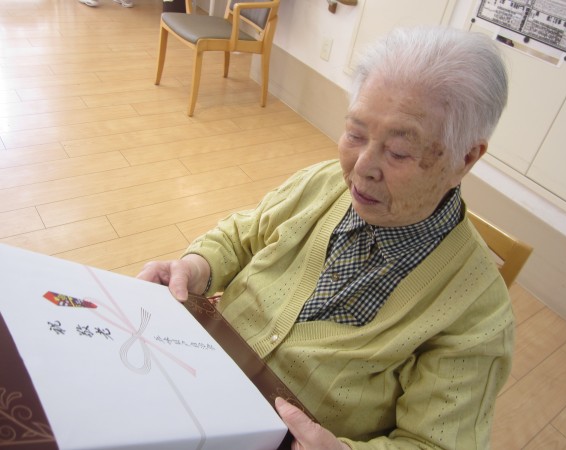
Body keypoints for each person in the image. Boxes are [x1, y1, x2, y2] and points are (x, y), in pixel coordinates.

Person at [137, 26, 513, 449]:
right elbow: (242, 234)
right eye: (355, 134)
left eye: (398, 152)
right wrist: (196, 267)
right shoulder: (323, 182)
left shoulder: (478, 312)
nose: (361, 167)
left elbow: (436, 444)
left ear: (465, 158)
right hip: (196, 364)